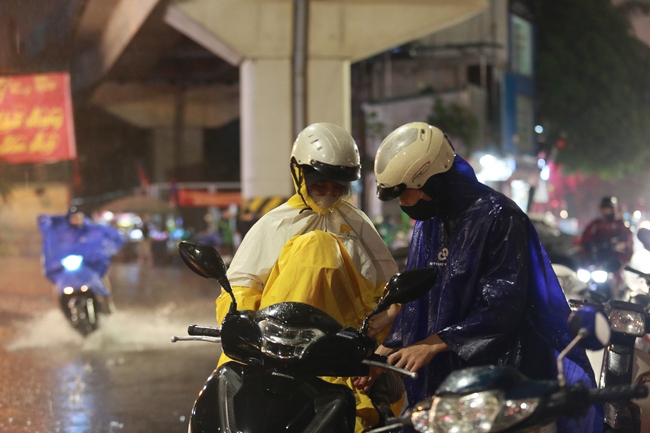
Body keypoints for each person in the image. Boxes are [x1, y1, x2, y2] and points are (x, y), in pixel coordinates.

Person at [357, 122, 599, 432]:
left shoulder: (499, 216)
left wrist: (433, 344)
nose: (403, 203)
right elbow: (420, 301)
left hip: (500, 378)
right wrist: (381, 359)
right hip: (444, 381)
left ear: (431, 181)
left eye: (406, 193)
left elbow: (503, 304)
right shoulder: (429, 223)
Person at [214, 122, 400, 432]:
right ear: (300, 175)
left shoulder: (358, 224)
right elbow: (240, 289)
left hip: (342, 357)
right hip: (273, 353)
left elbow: (386, 291)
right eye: (320, 186)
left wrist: (379, 336)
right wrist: (240, 327)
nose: (329, 194)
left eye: (337, 187)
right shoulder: (273, 224)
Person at [38, 206, 125, 314]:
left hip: (88, 265)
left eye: (79, 217)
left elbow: (106, 237)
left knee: (101, 279)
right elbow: (51, 238)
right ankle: (61, 309)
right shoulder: (60, 231)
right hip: (66, 267)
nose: (77, 219)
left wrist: (100, 253)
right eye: (74, 217)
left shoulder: (90, 229)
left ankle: (107, 303)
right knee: (58, 286)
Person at [579, 196, 633, 299]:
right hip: (596, 263)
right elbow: (585, 239)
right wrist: (584, 248)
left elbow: (628, 243)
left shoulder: (620, 225)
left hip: (613, 265)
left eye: (609, 208)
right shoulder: (595, 224)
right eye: (605, 208)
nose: (607, 210)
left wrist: (620, 257)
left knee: (616, 288)